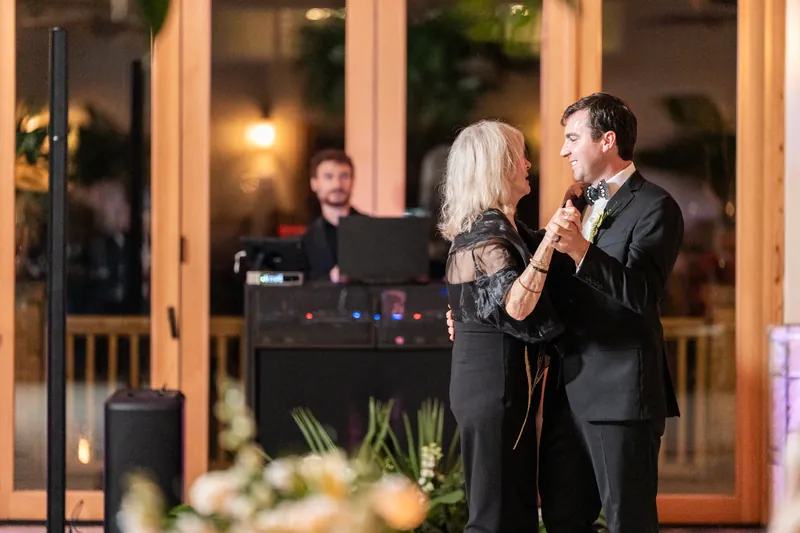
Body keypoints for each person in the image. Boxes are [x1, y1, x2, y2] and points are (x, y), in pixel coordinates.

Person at [447, 93, 684, 533]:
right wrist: (471, 316)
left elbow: (643, 292)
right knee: (562, 519)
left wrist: (580, 249)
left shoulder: (656, 206)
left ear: (607, 140)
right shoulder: (578, 202)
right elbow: (516, 274)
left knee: (627, 522)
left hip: (620, 398)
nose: (562, 150)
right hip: (562, 395)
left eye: (572, 138)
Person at [441, 120, 566, 533]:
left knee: (514, 511)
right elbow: (516, 306)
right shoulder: (485, 238)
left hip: (506, 382)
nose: (529, 164)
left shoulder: (506, 230)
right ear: (498, 167)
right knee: (494, 516)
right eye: (520, 156)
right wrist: (552, 241)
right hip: (491, 385)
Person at [300, 149, 363, 282]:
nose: (337, 184)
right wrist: (330, 279)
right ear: (314, 183)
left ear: (353, 181)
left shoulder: (373, 231)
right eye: (329, 177)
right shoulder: (305, 240)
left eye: (344, 176)